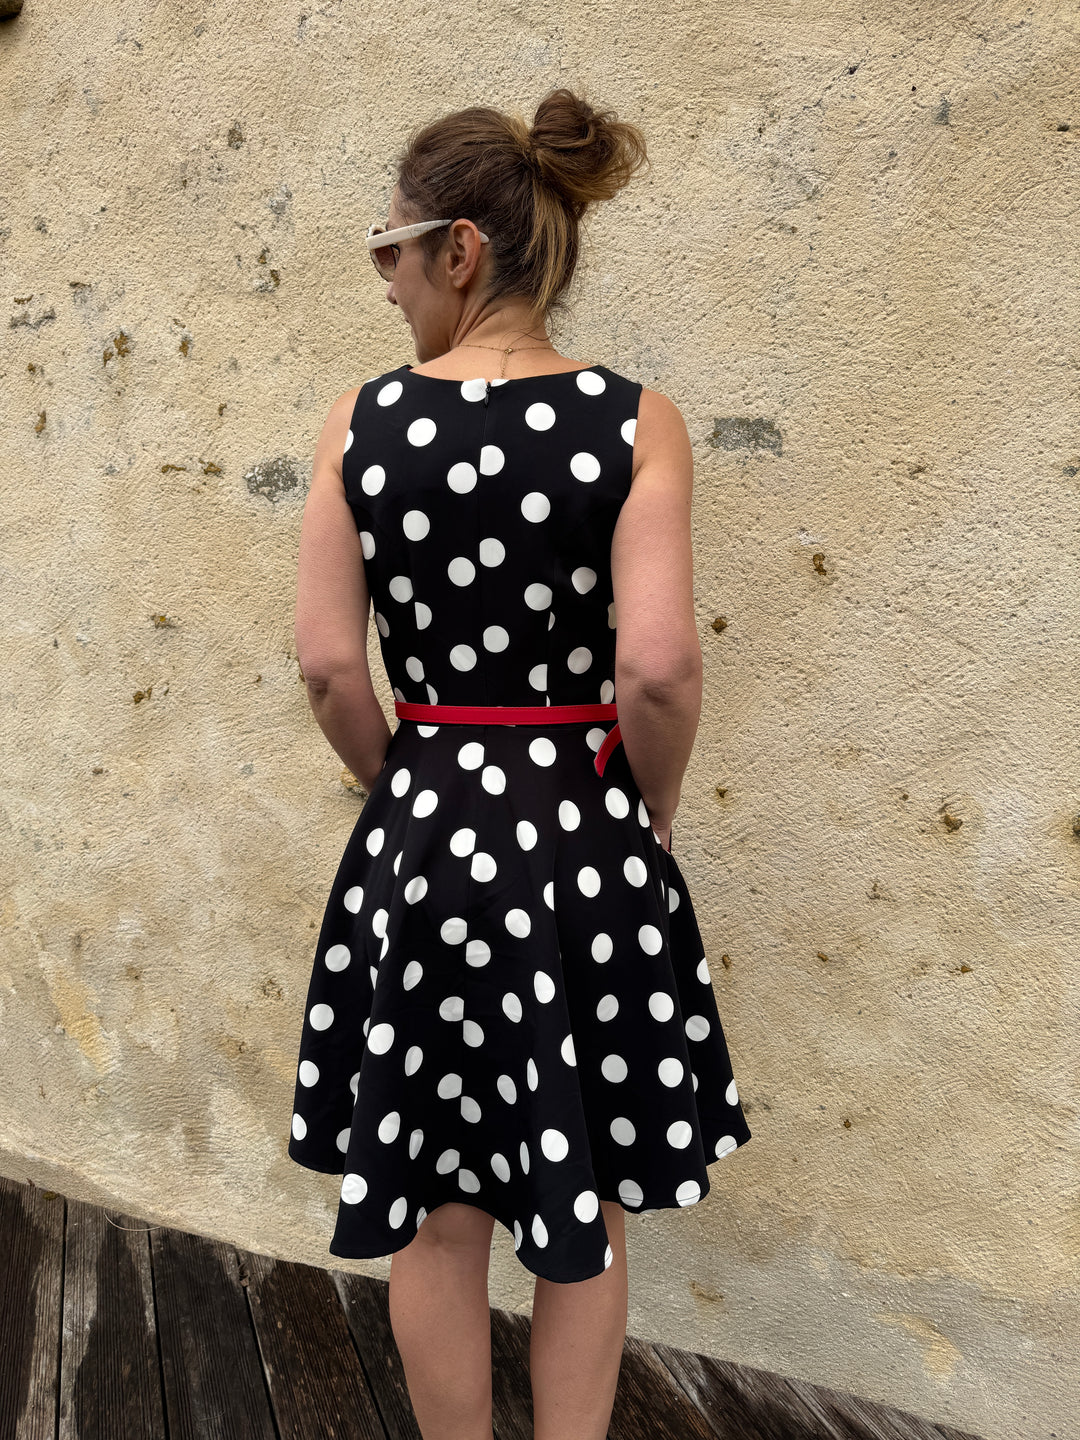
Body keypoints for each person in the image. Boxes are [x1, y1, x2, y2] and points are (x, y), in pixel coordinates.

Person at [287, 88, 752, 1440]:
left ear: (460, 250)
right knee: (581, 1190)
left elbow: (328, 668)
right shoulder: (638, 422)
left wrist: (409, 786)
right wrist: (648, 810)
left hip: (425, 835)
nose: (382, 281)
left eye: (389, 249)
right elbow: (656, 671)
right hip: (585, 839)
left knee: (437, 1209)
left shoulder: (361, 424)